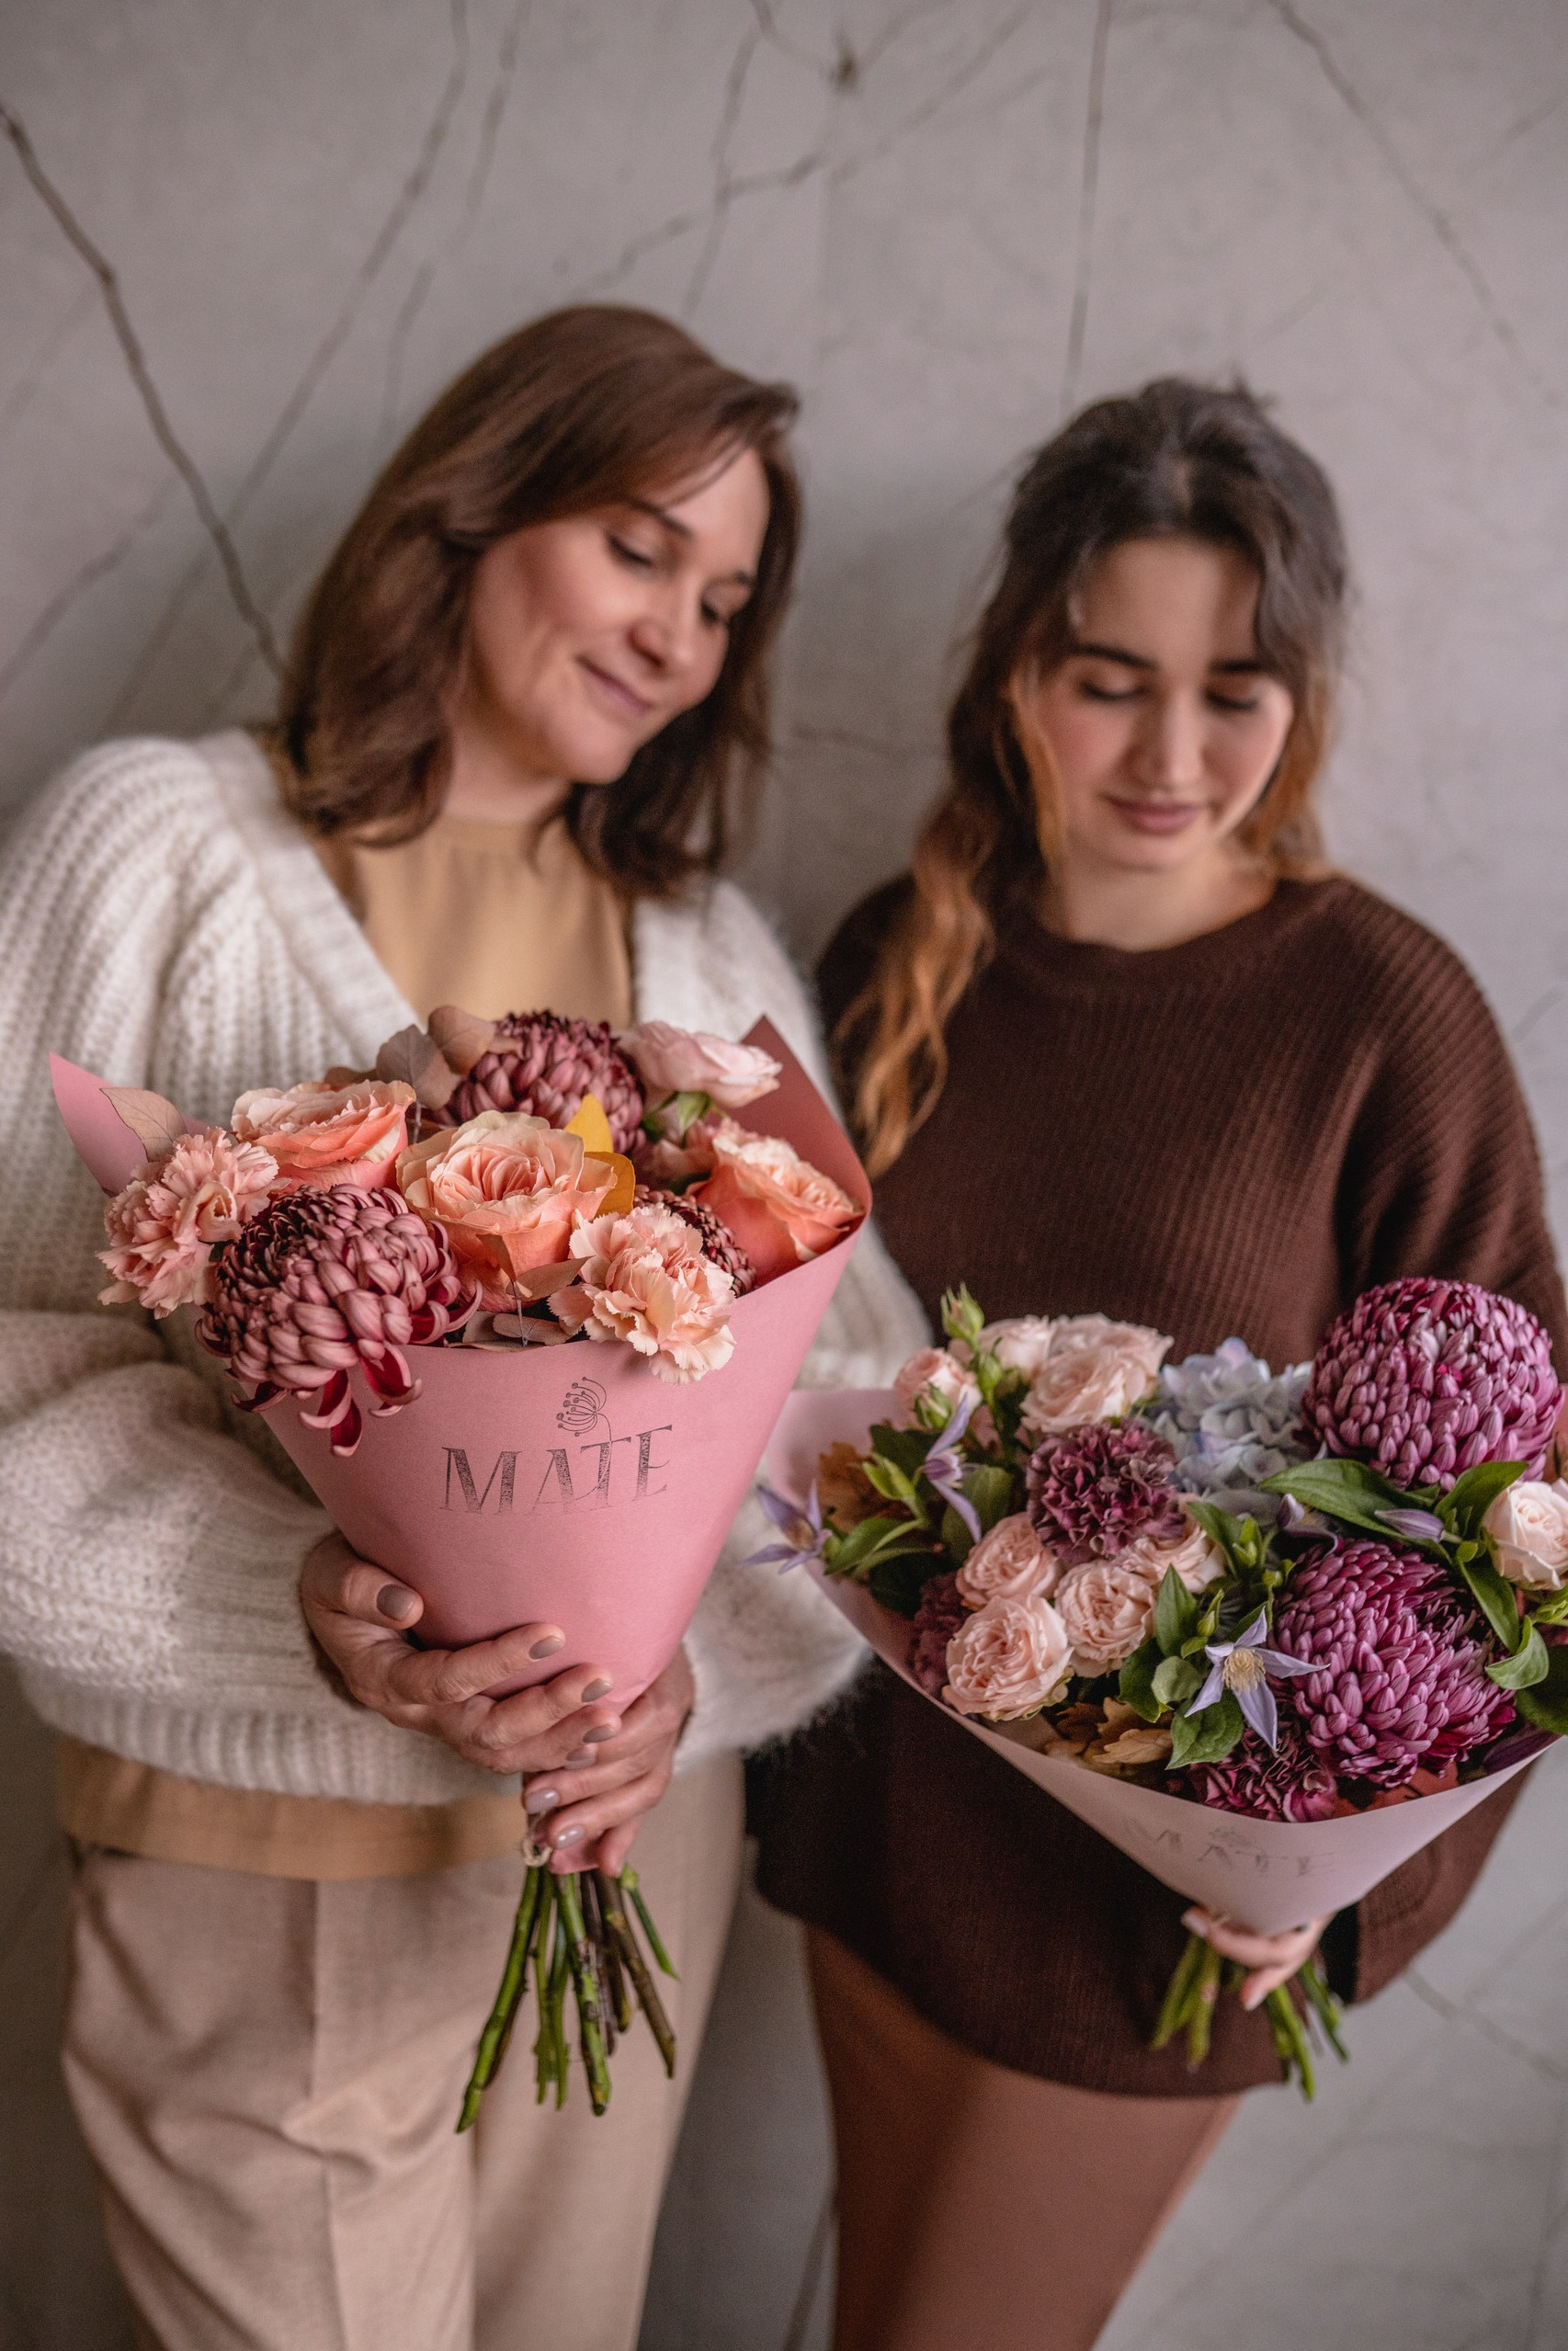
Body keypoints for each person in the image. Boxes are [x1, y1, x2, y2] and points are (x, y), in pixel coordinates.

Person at [0, 303, 924, 2351]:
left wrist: (683, 1668)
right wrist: (302, 1600)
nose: (681, 632)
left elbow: (846, 1427)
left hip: (611, 1869)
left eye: (726, 596)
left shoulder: (701, 944)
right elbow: (10, 1355)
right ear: (476, 504)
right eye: (636, 546)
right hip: (258, 1871)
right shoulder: (149, 846)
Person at [751, 377, 1568, 2351]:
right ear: (1018, 668)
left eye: (1233, 691)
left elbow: (1531, 1530)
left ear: (1302, 700)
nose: (1169, 753)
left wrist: (1356, 1891)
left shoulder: (1381, 1014)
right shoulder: (889, 956)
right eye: (1109, 678)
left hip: (1150, 1923)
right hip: (874, 1853)